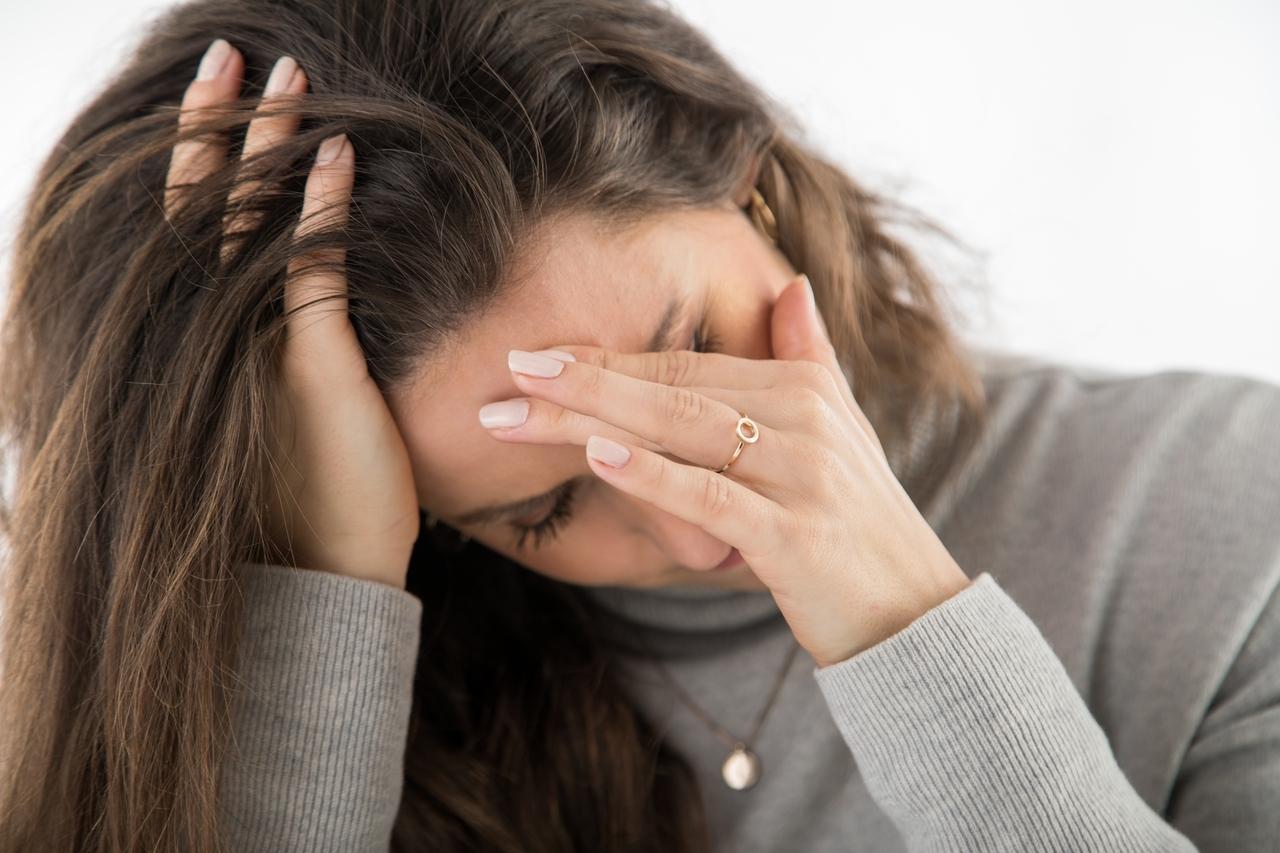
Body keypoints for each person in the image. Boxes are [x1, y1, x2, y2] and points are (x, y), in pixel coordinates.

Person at [0, 0, 1276, 851]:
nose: (686, 517)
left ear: (752, 184)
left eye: (688, 366)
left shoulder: (1227, 518)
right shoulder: (363, 645)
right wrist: (315, 593)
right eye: (543, 509)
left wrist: (904, 626)